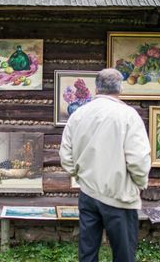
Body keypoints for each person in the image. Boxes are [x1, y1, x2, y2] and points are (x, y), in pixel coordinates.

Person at [59, 68, 151, 262]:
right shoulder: (128, 115)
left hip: (88, 193)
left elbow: (66, 155)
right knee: (124, 253)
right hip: (120, 195)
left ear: (96, 88)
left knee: (88, 252)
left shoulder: (78, 114)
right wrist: (140, 182)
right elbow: (139, 159)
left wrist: (79, 175)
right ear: (121, 88)